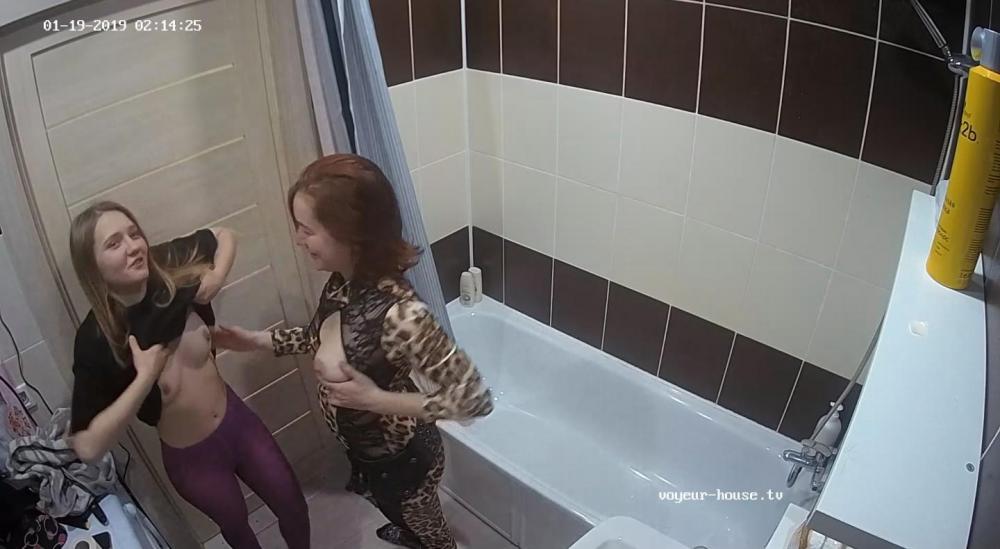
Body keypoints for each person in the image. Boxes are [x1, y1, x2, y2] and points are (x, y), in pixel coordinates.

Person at [214, 154, 494, 549]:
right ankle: (408, 530)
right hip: (367, 453)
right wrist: (258, 341)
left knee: (431, 533)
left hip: (406, 461)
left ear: (349, 234)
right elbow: (320, 338)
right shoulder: (341, 283)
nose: (298, 239)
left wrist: (376, 399)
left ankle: (422, 536)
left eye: (306, 229)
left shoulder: (403, 314)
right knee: (391, 508)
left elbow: (474, 400)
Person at [66, 201, 309, 549]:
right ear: (93, 266)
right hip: (193, 459)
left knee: (293, 504)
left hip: (239, 424)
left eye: (134, 234)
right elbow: (87, 446)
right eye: (114, 243)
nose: (133, 246)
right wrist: (145, 379)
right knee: (239, 532)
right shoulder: (96, 338)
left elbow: (225, 235)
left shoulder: (167, 266)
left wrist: (215, 279)